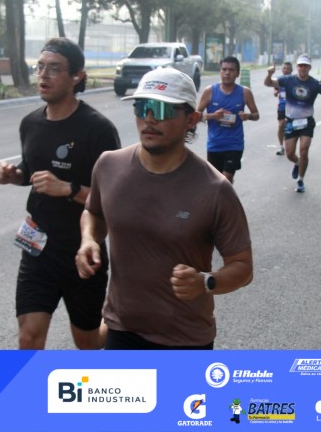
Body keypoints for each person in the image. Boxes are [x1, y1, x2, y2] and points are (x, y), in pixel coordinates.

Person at [75, 67, 253, 349]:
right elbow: (93, 212)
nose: (149, 118)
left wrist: (205, 282)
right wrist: (88, 240)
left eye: (162, 109)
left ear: (191, 119)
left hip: (185, 340)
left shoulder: (215, 189)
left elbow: (243, 267)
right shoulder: (108, 166)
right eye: (142, 107)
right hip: (122, 328)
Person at [0, 37, 120, 350]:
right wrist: (13, 175)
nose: (43, 75)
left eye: (54, 68)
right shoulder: (31, 123)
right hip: (37, 247)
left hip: (82, 250)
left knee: (88, 342)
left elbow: (115, 198)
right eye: (40, 67)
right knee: (29, 336)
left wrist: (68, 189)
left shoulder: (98, 129)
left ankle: (121, 323)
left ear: (76, 76)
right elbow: (30, 169)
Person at [263, 54, 321, 193]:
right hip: (291, 121)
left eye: (306, 66)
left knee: (304, 151)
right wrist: (269, 74)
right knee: (290, 154)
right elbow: (268, 83)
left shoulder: (315, 83)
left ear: (309, 68)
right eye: (301, 65)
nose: (303, 68)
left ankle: (300, 180)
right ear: (297, 67)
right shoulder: (287, 80)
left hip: (307, 122)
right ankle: (297, 163)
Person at [197, 56, 260, 184]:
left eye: (231, 70)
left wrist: (248, 116)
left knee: (226, 179)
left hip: (234, 144)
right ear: (220, 71)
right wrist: (213, 116)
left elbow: (256, 115)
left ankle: (227, 187)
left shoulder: (245, 92)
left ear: (237, 73)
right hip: (214, 144)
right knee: (215, 181)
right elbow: (196, 116)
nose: (227, 73)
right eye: (224, 69)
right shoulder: (210, 91)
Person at [273, 61, 293, 155]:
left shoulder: (294, 80)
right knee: (281, 125)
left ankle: (290, 145)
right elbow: (275, 91)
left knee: (291, 127)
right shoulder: (279, 80)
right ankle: (281, 147)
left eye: (288, 69)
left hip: (292, 106)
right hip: (282, 106)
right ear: (281, 70)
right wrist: (276, 92)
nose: (286, 70)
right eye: (284, 68)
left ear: (291, 70)